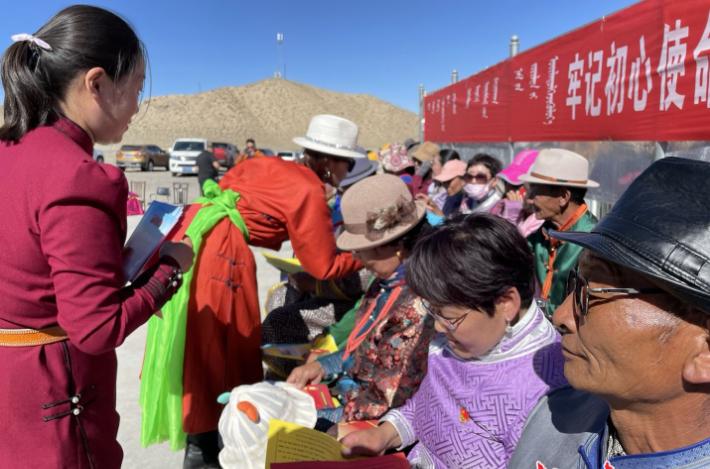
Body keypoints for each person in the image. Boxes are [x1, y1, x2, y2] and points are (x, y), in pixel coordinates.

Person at [0, 6, 193, 468]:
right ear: (98, 83)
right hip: (56, 393)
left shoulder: (9, 150)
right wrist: (169, 269)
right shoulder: (78, 176)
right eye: (137, 88)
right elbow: (96, 328)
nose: (136, 108)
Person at [140, 114, 366, 467]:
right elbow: (323, 266)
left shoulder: (265, 164)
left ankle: (203, 446)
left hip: (198, 234)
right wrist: (364, 255)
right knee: (223, 355)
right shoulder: (308, 189)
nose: (346, 171)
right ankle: (215, 449)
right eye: (347, 163)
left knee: (196, 350)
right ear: (328, 161)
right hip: (222, 256)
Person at [509, 157, 710, 469]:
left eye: (593, 293)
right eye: (575, 282)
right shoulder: (553, 418)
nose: (562, 316)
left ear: (705, 351)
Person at [341, 214, 567, 468]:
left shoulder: (545, 395)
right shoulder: (461, 341)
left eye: (449, 317)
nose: (437, 326)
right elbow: (425, 406)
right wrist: (385, 434)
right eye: (433, 311)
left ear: (505, 304)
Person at [287, 174, 435, 429]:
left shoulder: (417, 304)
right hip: (354, 399)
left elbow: (388, 397)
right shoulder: (385, 281)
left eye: (359, 248)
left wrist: (322, 416)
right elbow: (366, 351)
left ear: (392, 246)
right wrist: (324, 366)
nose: (355, 255)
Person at [519, 148, 599, 317]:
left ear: (563, 197)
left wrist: (535, 310)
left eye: (535, 192)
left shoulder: (592, 242)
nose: (529, 198)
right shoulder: (539, 236)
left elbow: (586, 308)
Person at [489, 149, 544, 237]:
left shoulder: (543, 221)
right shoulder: (500, 207)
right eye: (507, 183)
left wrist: (512, 216)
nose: (510, 191)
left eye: (516, 186)